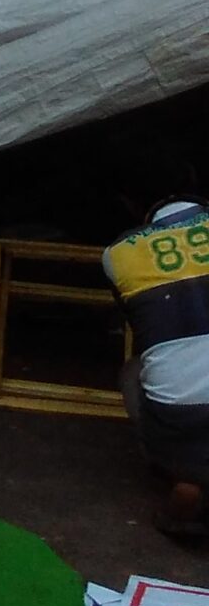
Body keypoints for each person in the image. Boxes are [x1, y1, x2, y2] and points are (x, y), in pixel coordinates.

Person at [103, 194, 209, 544]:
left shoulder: (119, 253)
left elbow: (133, 315)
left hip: (181, 411)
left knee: (133, 372)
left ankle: (183, 474)